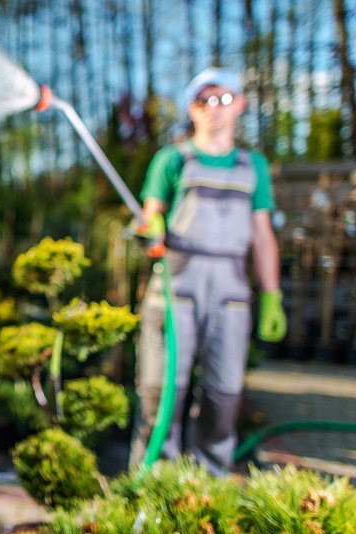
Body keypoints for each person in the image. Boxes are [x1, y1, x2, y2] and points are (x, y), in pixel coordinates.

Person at [128, 67, 287, 476]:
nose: (214, 109)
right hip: (175, 289)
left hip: (231, 295)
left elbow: (263, 234)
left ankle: (207, 488)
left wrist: (272, 295)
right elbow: (151, 217)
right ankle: (153, 486)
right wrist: (151, 231)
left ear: (240, 104)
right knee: (160, 395)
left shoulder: (253, 167)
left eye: (223, 99)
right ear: (191, 109)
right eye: (203, 101)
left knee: (223, 396)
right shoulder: (172, 159)